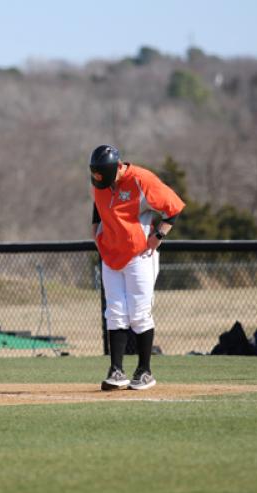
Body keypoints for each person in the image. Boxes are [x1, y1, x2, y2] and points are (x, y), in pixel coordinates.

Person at [89, 145, 185, 391]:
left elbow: (172, 206)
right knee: (115, 313)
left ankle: (145, 372)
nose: (101, 184)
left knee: (139, 314)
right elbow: (98, 208)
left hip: (138, 255)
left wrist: (159, 235)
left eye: (104, 178)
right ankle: (117, 370)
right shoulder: (99, 182)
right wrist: (96, 234)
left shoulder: (141, 179)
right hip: (111, 256)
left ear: (117, 169)